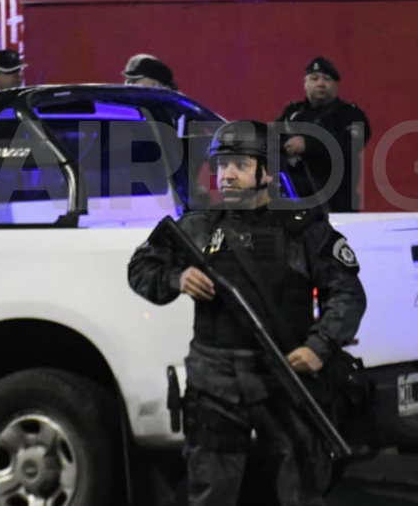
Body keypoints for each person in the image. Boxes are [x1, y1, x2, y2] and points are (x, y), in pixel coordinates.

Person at [128, 120, 366, 506]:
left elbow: (347, 294)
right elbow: (140, 268)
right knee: (211, 489)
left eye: (240, 165)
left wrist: (319, 346)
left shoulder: (302, 228)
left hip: (287, 373)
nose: (228, 175)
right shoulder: (198, 225)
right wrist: (177, 277)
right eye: (222, 165)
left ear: (267, 171)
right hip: (215, 378)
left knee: (301, 488)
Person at [276, 57, 371, 212]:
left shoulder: (350, 114)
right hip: (295, 205)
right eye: (314, 79)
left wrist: (309, 145)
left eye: (327, 79)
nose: (320, 83)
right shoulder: (293, 113)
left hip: (336, 204)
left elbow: (350, 146)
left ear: (335, 84)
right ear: (305, 83)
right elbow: (272, 140)